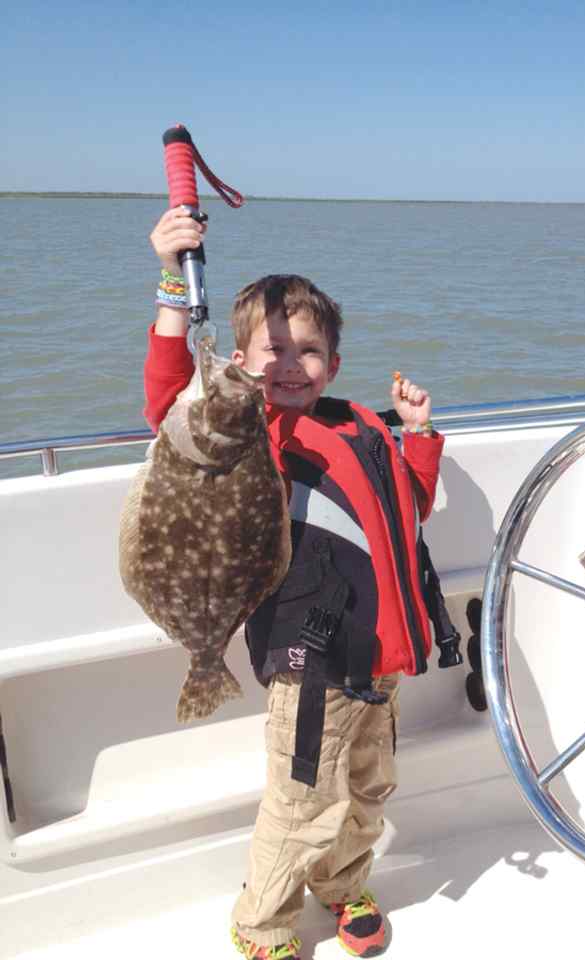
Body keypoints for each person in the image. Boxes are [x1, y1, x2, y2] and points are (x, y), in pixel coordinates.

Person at [144, 207, 445, 960]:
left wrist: (418, 437)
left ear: (334, 367)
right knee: (301, 801)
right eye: (272, 349)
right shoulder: (252, 437)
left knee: (369, 790)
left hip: (380, 659)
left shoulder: (361, 428)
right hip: (310, 664)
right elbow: (166, 403)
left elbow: (409, 507)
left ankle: (343, 885)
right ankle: (264, 921)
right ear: (240, 361)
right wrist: (171, 290)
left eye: (308, 351)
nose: (289, 364)